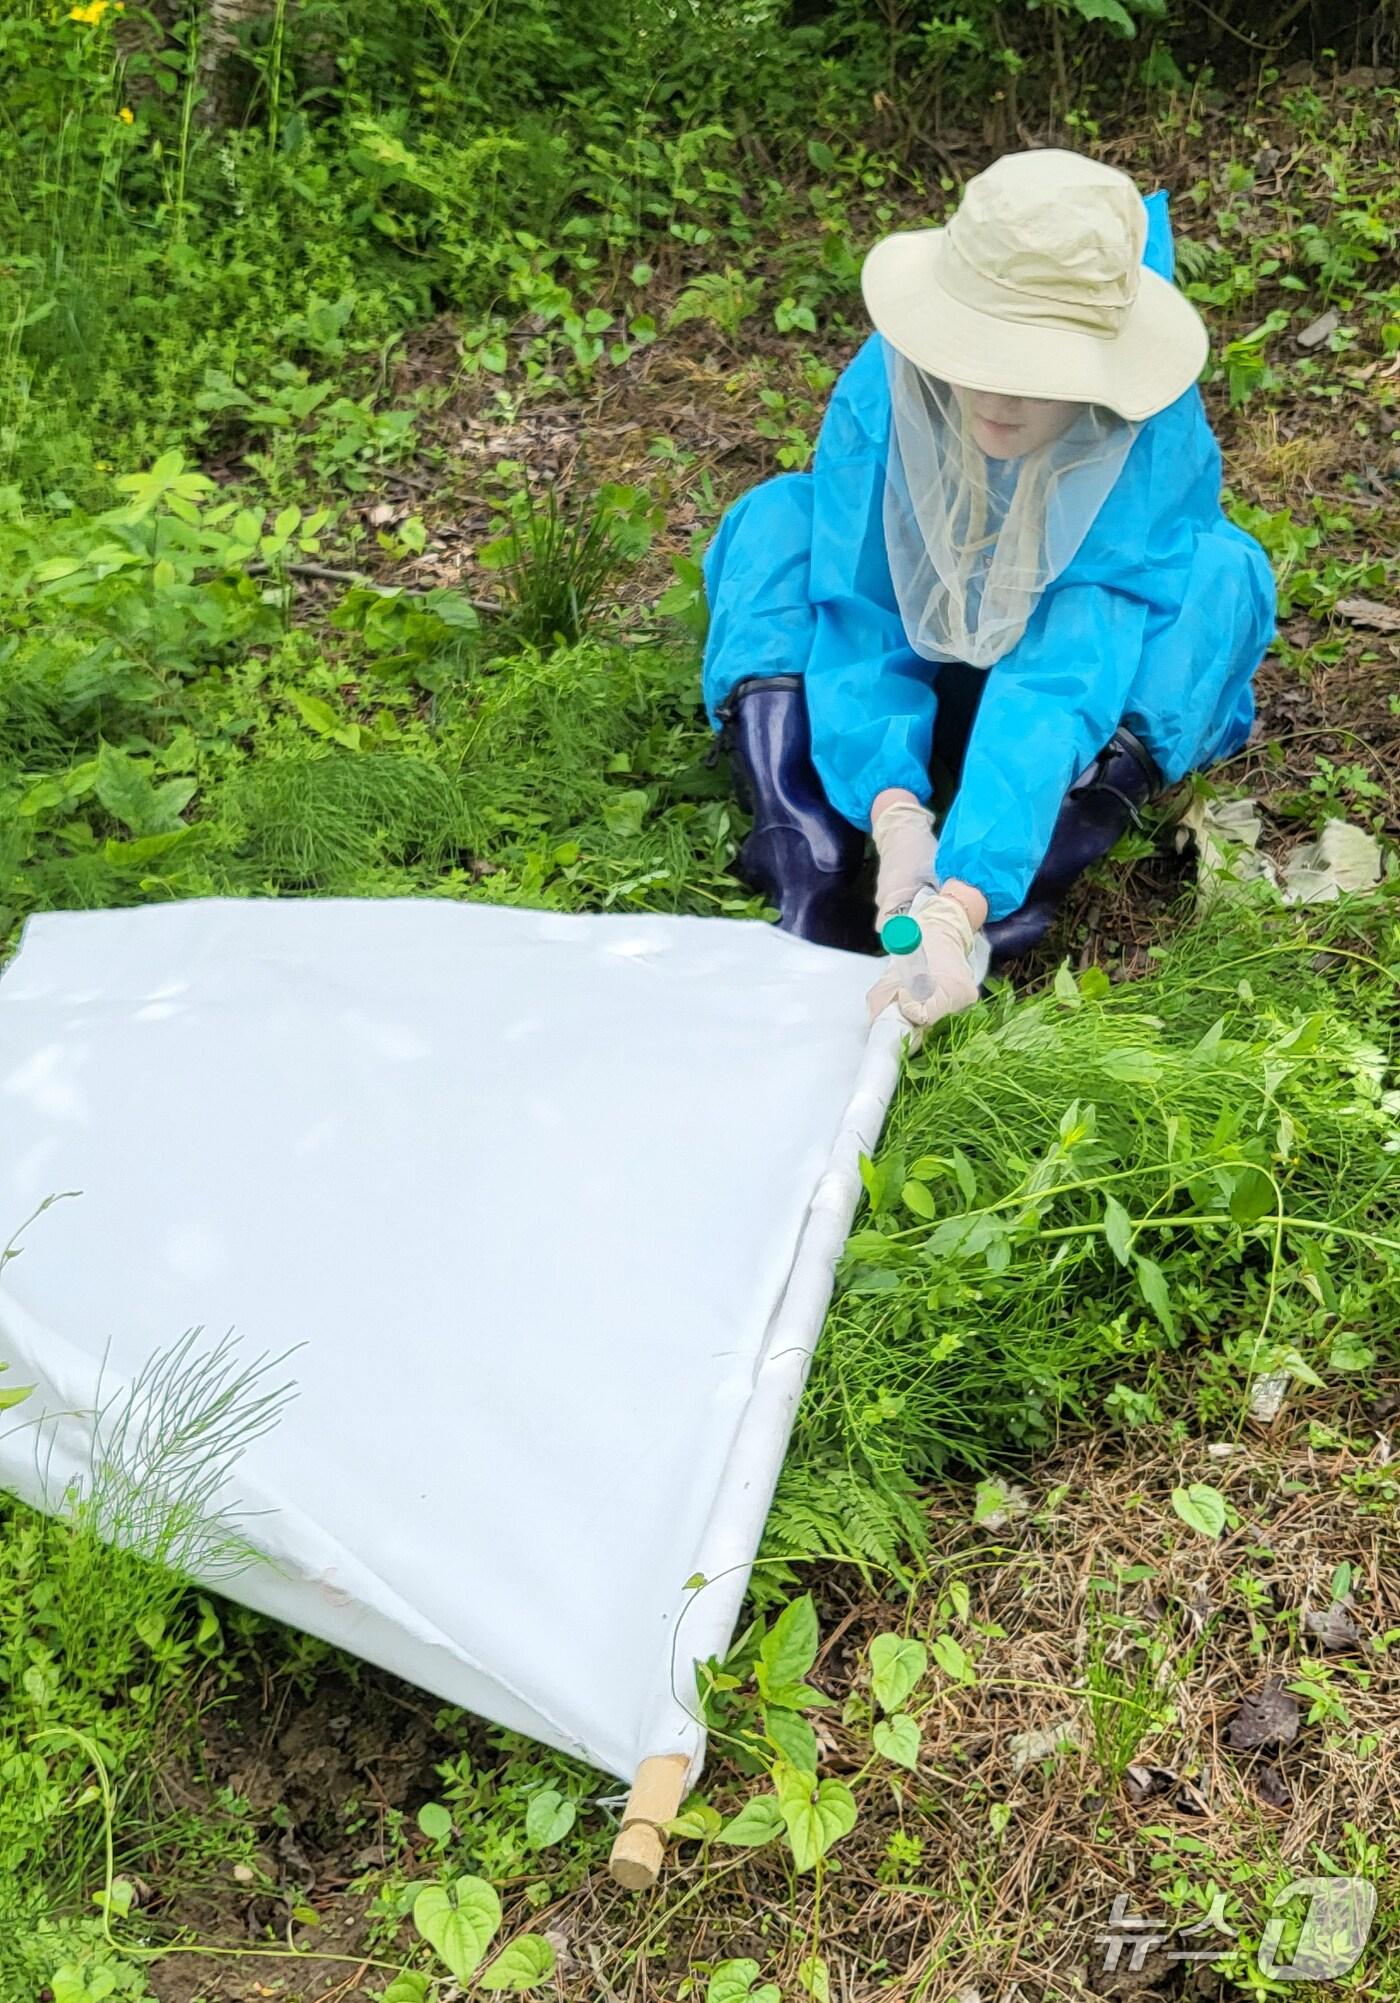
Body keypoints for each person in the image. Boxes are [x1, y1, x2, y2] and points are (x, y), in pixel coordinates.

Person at [700, 149, 1276, 1028]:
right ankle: (804, 844)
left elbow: (1066, 671)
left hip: (1066, 714)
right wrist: (894, 811)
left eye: (1039, 370)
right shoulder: (886, 384)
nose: (1000, 396)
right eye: (984, 351)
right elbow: (857, 598)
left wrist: (961, 899)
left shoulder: (1148, 433)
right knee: (781, 520)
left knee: (1219, 579)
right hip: (914, 658)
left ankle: (1018, 891)